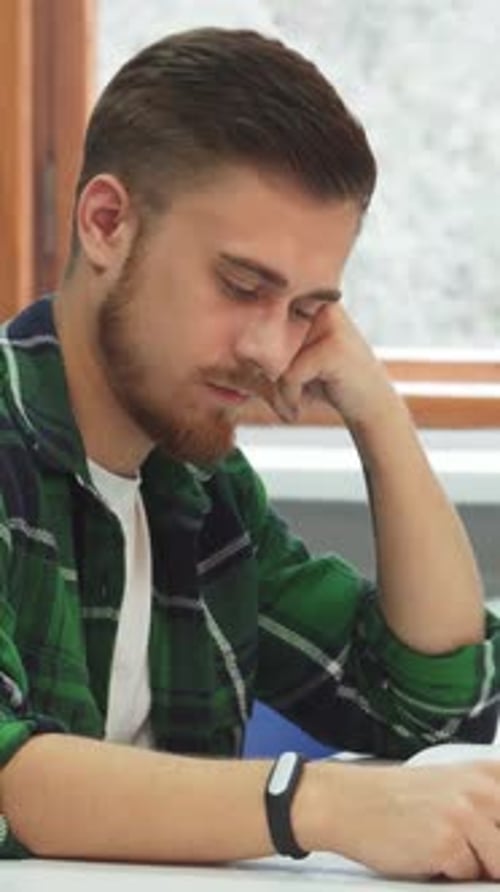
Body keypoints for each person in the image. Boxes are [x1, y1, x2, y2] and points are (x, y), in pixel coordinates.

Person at [0, 26, 499, 881]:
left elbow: (432, 703)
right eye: (241, 286)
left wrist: (376, 409)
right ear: (107, 222)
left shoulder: (205, 495)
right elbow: (11, 778)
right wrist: (314, 805)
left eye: (308, 309)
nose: (273, 351)